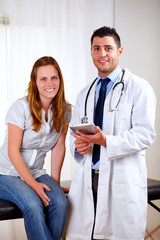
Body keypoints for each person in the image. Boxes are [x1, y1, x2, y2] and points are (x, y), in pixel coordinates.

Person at [65, 27, 156, 240]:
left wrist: (106, 141)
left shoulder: (138, 87)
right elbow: (74, 135)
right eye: (97, 48)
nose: (102, 53)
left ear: (120, 51)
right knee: (88, 234)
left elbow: (145, 133)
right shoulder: (84, 94)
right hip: (89, 177)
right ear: (91, 52)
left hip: (121, 177)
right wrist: (78, 146)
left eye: (108, 48)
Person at [0, 56, 71, 240]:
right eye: (43, 79)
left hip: (37, 171)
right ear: (35, 82)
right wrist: (34, 186)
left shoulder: (65, 111)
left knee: (61, 203)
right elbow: (12, 151)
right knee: (33, 204)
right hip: (7, 173)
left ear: (60, 80)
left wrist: (54, 183)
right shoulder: (20, 108)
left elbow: (58, 147)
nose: (49, 83)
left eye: (54, 78)